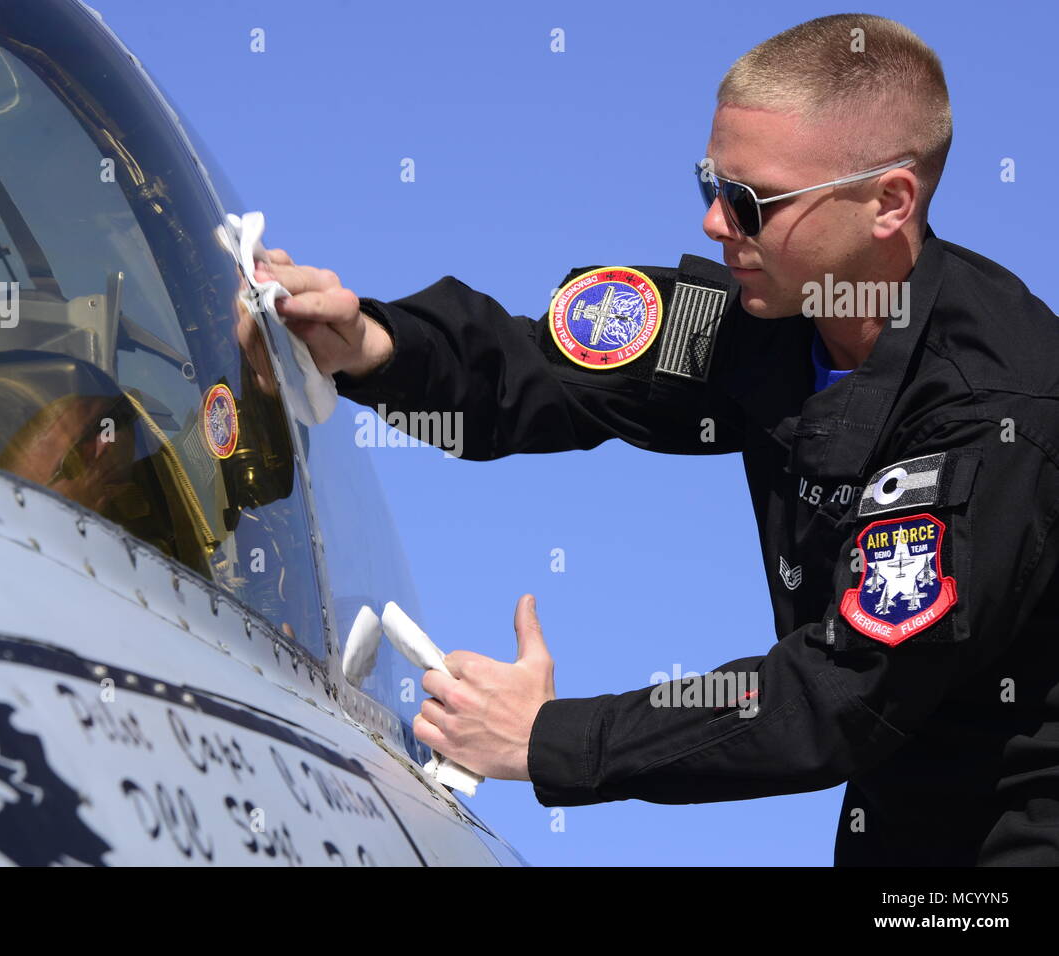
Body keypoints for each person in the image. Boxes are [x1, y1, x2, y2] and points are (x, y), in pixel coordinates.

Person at [255, 14, 1059, 865]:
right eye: (710, 184)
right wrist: (371, 347)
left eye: (751, 202)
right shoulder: (764, 311)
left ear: (888, 203)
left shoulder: (992, 410)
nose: (717, 224)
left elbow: (841, 692)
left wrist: (550, 738)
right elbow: (542, 365)